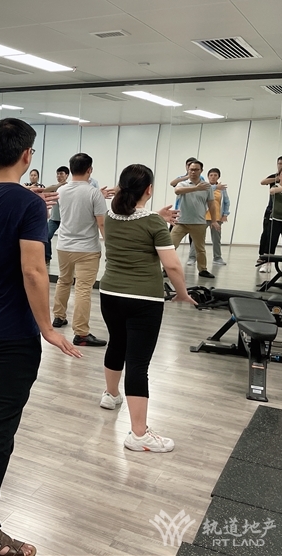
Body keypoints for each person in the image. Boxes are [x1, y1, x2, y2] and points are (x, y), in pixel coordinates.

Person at [0, 118, 81, 556]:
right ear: (27, 154)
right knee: (0, 422)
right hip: (10, 329)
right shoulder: (29, 205)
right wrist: (47, 327)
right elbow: (33, 270)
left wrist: (29, 201)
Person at [100, 164, 196, 452]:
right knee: (138, 363)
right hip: (143, 300)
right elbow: (172, 265)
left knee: (117, 343)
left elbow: (133, 220)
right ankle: (139, 435)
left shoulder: (110, 216)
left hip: (109, 293)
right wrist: (182, 293)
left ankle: (111, 395)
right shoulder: (153, 223)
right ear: (149, 190)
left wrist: (157, 216)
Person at [52, 154, 107, 345]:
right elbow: (102, 224)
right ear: (89, 170)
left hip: (64, 245)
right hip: (87, 249)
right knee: (83, 289)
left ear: (70, 169)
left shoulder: (62, 190)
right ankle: (81, 333)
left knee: (63, 280)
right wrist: (110, 247)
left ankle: (59, 317)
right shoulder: (94, 193)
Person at [171, 160, 219, 278]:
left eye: (196, 169)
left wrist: (214, 220)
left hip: (199, 223)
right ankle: (167, 269)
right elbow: (177, 191)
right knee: (171, 246)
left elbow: (211, 204)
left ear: (201, 171)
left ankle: (203, 270)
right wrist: (196, 188)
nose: (193, 172)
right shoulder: (183, 184)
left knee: (200, 249)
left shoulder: (207, 187)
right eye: (191, 169)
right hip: (181, 222)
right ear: (188, 170)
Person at [188, 168, 230, 267]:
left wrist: (225, 214)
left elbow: (226, 202)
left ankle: (217, 257)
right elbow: (204, 191)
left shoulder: (222, 189)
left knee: (216, 239)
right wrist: (216, 187)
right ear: (208, 176)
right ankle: (192, 258)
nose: (213, 177)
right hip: (203, 216)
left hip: (216, 217)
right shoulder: (204, 186)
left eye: (215, 175)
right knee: (197, 238)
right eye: (211, 175)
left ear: (218, 177)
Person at [257, 156, 282, 272]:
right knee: (269, 238)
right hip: (273, 215)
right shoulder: (275, 182)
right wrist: (278, 179)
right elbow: (265, 184)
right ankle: (265, 260)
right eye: (280, 163)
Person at [42, 165, 70, 264]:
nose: (59, 176)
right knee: (47, 236)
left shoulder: (69, 187)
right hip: (54, 218)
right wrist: (59, 185)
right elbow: (44, 190)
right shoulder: (54, 187)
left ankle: (69, 260)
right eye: (57, 174)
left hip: (66, 219)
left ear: (67, 175)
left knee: (68, 240)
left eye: (61, 174)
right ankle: (47, 257)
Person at [266, 167, 282, 255]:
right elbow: (272, 191)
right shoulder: (276, 186)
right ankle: (268, 260)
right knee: (272, 241)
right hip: (275, 219)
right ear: (279, 176)